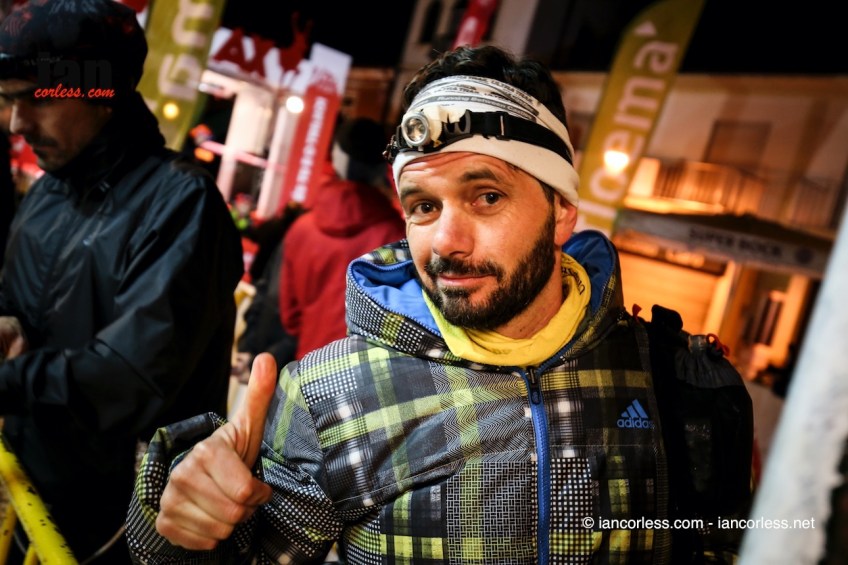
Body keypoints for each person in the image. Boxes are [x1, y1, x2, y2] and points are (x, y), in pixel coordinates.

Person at [126, 45, 744, 563]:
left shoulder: (673, 376)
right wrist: (180, 530)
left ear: (561, 212)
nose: (446, 242)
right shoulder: (327, 396)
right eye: (423, 205)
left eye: (486, 196)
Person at [0, 0, 244, 562]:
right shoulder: (48, 192)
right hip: (33, 499)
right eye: (10, 100)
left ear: (101, 90)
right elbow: (18, 301)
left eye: (37, 98)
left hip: (127, 527)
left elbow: (130, 379)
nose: (18, 123)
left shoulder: (181, 203)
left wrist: (9, 381)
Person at [279, 116, 405, 360]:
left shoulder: (302, 229)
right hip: (369, 370)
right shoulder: (397, 235)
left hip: (309, 363)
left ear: (336, 158)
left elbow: (290, 317)